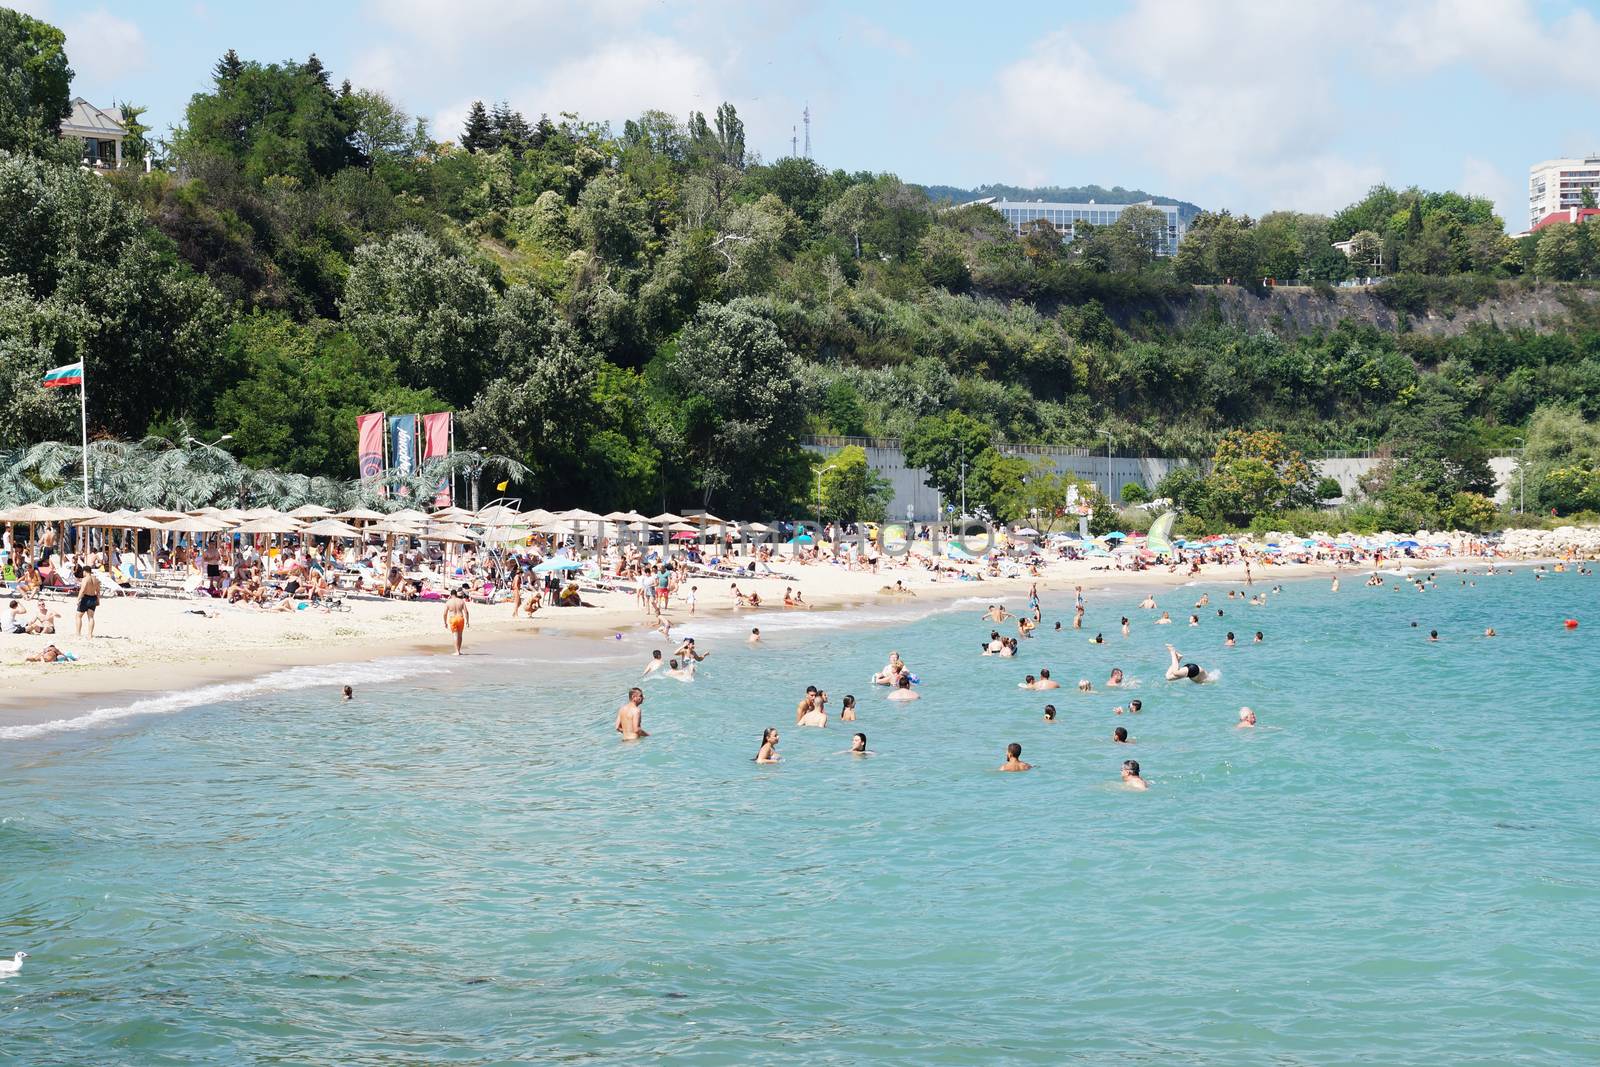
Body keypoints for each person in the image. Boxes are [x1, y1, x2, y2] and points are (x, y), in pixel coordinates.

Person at [73, 566, 100, 638]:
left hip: (85, 598)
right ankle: (90, 635)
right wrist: (98, 600)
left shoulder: (85, 579)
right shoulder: (96, 579)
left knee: (78, 616)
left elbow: (83, 589)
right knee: (91, 617)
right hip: (93, 598)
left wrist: (78, 598)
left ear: (85, 571)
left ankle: (78, 633)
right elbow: (98, 591)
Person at [443, 589, 469, 655]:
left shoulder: (448, 602)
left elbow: (445, 614)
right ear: (456, 594)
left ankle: (456, 651)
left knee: (455, 635)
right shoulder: (461, 601)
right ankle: (459, 651)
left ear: (451, 595)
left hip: (453, 619)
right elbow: (466, 612)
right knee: (460, 636)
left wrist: (445, 622)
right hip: (460, 618)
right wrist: (467, 621)